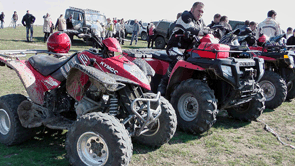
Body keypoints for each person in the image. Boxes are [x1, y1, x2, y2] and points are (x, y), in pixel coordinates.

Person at [158, 2, 209, 95]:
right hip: (175, 47)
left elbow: (208, 30)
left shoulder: (200, 21)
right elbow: (192, 30)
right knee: (178, 60)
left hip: (189, 50)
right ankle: (162, 85)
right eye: (198, 10)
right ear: (192, 9)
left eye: (202, 11)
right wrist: (207, 31)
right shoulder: (186, 16)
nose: (200, 13)